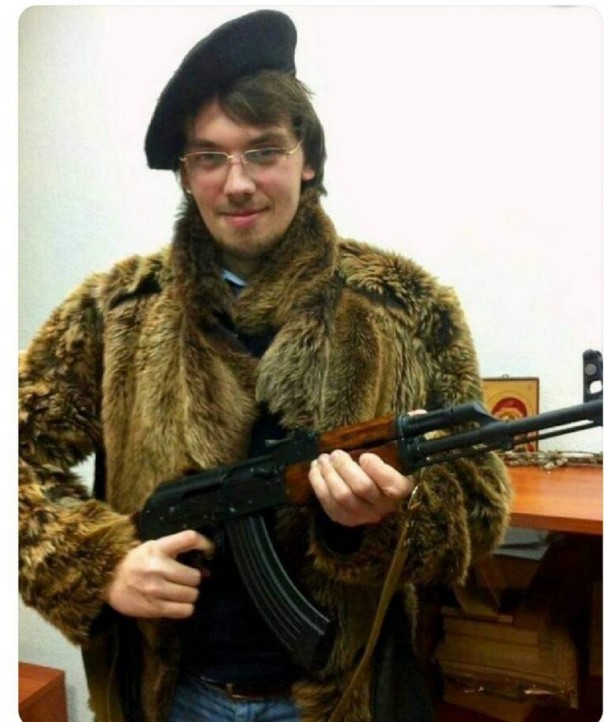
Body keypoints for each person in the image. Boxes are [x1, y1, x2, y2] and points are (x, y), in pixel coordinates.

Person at [19, 9, 512, 722]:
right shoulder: (116, 311)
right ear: (186, 175)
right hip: (169, 697)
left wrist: (382, 520)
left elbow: (479, 508)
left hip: (347, 699)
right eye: (209, 157)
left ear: (306, 157)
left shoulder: (406, 308)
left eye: (263, 151)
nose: (238, 183)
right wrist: (99, 566)